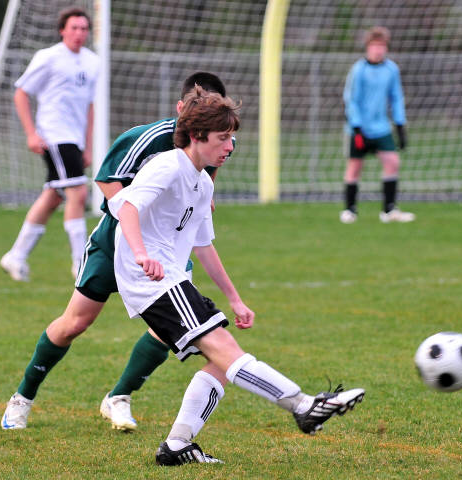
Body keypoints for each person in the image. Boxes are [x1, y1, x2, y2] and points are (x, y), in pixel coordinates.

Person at [108, 86, 364, 465]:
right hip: (152, 281)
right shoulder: (168, 165)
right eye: (223, 138)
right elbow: (126, 205)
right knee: (227, 351)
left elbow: (204, 246)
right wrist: (142, 254)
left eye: (232, 138)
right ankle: (303, 405)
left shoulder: (203, 183)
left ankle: (177, 445)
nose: (230, 147)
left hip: (170, 279)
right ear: (197, 136)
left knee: (221, 363)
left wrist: (235, 298)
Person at [0, 73, 230, 432]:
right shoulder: (149, 137)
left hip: (169, 248)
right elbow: (107, 180)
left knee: (168, 329)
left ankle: (119, 396)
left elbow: (201, 189)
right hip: (115, 242)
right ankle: (22, 398)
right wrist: (138, 231)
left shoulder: (219, 141)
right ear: (181, 108)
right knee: (75, 323)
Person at [0, 7, 100, 280]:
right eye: (74, 27)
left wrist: (88, 146)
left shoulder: (92, 62)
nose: (79, 33)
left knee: (54, 196)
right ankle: (80, 263)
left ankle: (16, 256)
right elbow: (21, 93)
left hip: (74, 139)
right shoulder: (48, 57)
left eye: (84, 28)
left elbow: (89, 106)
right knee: (78, 193)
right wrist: (31, 134)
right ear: (62, 30)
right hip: (54, 134)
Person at [340, 26, 415, 224]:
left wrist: (400, 126)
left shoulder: (391, 69)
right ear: (367, 47)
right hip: (359, 128)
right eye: (374, 46)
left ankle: (389, 210)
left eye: (381, 46)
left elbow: (396, 98)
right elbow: (351, 100)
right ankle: (349, 210)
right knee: (355, 167)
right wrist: (357, 128)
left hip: (381, 127)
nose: (378, 50)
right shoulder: (359, 70)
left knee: (393, 162)